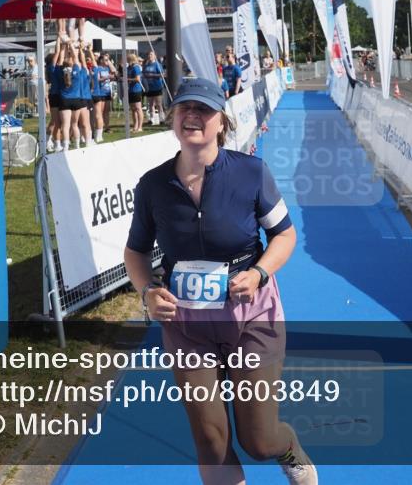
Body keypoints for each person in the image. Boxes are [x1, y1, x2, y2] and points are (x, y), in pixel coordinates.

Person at [124, 78, 317, 485]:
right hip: (187, 324)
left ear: (221, 123)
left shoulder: (250, 173)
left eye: (203, 110)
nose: (192, 116)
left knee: (259, 440)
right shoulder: (152, 185)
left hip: (252, 317)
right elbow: (135, 252)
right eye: (184, 109)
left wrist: (260, 272)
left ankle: (289, 450)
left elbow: (284, 234)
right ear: (173, 118)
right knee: (211, 440)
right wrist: (147, 292)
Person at [91, 52, 115, 142]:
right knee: (99, 113)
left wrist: (108, 62)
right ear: (100, 60)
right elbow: (97, 80)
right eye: (105, 60)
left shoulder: (107, 67)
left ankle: (106, 127)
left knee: (106, 111)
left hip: (107, 92)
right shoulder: (98, 68)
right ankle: (97, 130)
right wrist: (106, 77)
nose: (107, 61)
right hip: (100, 92)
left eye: (108, 60)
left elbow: (114, 71)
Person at [143, 50, 166, 124]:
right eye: (149, 55)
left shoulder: (157, 64)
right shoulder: (146, 65)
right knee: (150, 104)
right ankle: (151, 119)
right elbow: (143, 74)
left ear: (155, 56)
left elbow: (162, 74)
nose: (150, 56)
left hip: (157, 87)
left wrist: (152, 75)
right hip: (149, 87)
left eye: (151, 55)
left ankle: (161, 119)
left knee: (159, 104)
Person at [126, 52, 145, 133]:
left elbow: (137, 79)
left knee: (138, 108)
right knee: (133, 109)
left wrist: (128, 80)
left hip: (136, 90)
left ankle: (140, 127)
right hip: (130, 90)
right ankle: (135, 126)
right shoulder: (129, 68)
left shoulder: (136, 67)